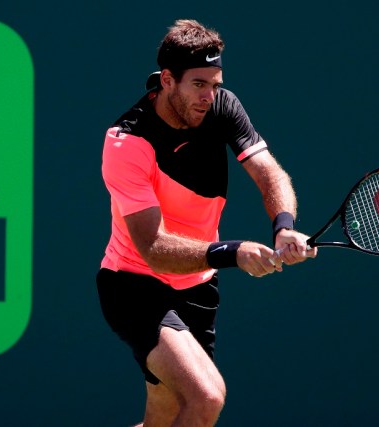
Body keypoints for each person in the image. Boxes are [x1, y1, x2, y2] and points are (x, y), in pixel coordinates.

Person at [96, 19, 317, 426]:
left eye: (215, 84)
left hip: (197, 288)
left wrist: (283, 225)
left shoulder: (223, 107)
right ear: (167, 80)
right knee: (206, 397)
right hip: (134, 284)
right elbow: (154, 249)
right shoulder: (128, 142)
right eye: (199, 84)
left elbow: (268, 172)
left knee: (165, 415)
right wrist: (233, 252)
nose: (209, 96)